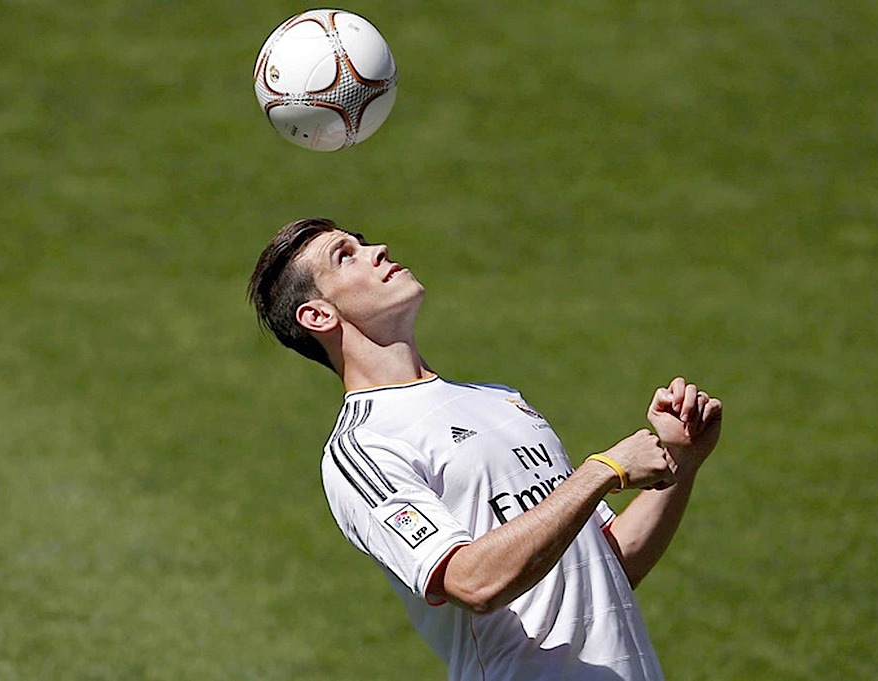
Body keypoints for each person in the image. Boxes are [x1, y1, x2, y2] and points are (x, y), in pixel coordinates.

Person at [248, 217, 723, 680]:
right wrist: (602, 471)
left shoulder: (499, 399)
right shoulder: (365, 446)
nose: (378, 251)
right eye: (346, 256)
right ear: (318, 315)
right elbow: (472, 583)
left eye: (363, 241)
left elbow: (607, 565)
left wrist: (681, 459)